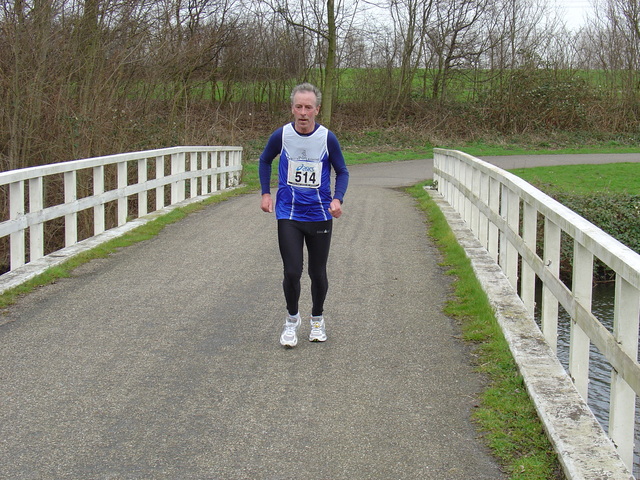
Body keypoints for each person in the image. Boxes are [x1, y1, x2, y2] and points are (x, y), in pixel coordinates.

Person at [259, 83, 349, 347]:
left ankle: (317, 319)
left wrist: (337, 198)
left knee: (317, 272)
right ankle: (291, 320)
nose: (303, 112)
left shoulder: (327, 138)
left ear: (317, 110)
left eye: (308, 107)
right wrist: (266, 193)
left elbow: (342, 171)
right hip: (289, 213)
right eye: (298, 106)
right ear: (292, 108)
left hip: (320, 214)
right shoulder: (282, 135)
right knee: (291, 271)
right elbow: (265, 160)